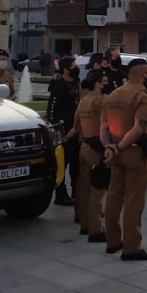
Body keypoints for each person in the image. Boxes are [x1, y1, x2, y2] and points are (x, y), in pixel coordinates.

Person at [101, 58, 147, 261]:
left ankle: (112, 241)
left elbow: (104, 128)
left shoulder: (113, 95)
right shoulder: (143, 96)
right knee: (134, 199)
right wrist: (121, 148)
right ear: (144, 73)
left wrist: (110, 147)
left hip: (114, 149)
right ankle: (132, 247)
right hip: (133, 152)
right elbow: (138, 128)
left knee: (114, 196)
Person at [69, 69, 108, 241]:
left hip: (83, 145)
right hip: (95, 148)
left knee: (83, 185)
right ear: (98, 83)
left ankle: (83, 221)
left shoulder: (84, 100)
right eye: (103, 81)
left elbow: (76, 123)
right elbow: (105, 127)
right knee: (97, 190)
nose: (105, 84)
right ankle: (95, 229)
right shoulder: (99, 101)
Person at [47, 56, 82, 207]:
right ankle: (60, 193)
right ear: (66, 70)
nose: (76, 68)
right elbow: (52, 112)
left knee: (77, 162)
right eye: (73, 66)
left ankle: (77, 191)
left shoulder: (76, 83)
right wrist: (59, 132)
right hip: (63, 131)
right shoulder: (59, 85)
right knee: (62, 163)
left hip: (76, 129)